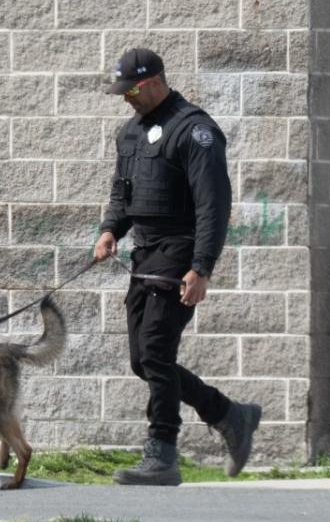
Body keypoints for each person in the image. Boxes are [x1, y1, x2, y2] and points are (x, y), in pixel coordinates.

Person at [93, 48, 262, 486]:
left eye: (129, 90)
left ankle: (162, 452)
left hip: (180, 253)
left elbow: (213, 205)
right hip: (144, 254)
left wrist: (202, 267)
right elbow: (122, 190)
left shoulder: (195, 131)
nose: (124, 99)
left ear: (151, 82)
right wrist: (112, 229)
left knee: (155, 352)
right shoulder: (130, 133)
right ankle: (229, 415)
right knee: (142, 360)